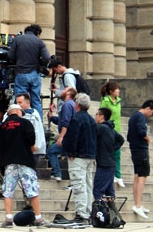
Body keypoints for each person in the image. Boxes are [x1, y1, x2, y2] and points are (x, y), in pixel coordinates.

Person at [0, 103, 49, 228]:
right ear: (18, 112)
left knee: (8, 191)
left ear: (9, 113)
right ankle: (38, 218)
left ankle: (8, 219)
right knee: (32, 190)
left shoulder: (3, 126)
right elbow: (31, 138)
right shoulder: (25, 123)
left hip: (9, 162)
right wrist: (31, 147)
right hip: (25, 161)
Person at [0, 92, 47, 200]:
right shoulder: (10, 116)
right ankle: (0, 191)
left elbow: (35, 135)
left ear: (27, 102)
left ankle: (28, 203)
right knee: (1, 172)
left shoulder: (34, 115)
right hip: (12, 151)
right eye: (17, 102)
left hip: (29, 151)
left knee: (27, 179)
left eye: (20, 102)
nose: (18, 104)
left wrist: (34, 148)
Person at [61, 92, 97, 225]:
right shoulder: (91, 119)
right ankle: (87, 212)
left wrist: (69, 151)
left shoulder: (76, 119)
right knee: (88, 185)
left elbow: (72, 138)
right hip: (89, 155)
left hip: (78, 156)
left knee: (79, 185)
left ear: (77, 104)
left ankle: (81, 214)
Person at [8, 24, 50, 120]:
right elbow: (46, 57)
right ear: (38, 33)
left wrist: (17, 61)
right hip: (34, 74)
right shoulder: (39, 42)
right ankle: (38, 122)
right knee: (36, 100)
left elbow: (10, 55)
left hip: (21, 73)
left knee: (20, 100)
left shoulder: (18, 40)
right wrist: (40, 64)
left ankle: (18, 121)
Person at [127, 99, 153, 218]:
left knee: (137, 175)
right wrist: (147, 138)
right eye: (152, 112)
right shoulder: (140, 117)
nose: (151, 115)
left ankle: (137, 203)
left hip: (135, 148)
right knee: (142, 176)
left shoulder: (134, 116)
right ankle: (138, 204)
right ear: (148, 108)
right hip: (140, 148)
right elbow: (141, 131)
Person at [94, 106, 124, 200]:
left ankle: (99, 210)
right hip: (110, 163)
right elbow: (121, 139)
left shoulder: (101, 128)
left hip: (104, 164)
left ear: (102, 116)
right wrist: (112, 149)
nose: (96, 117)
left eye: (97, 114)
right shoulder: (110, 128)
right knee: (109, 192)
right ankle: (112, 212)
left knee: (98, 190)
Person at [46, 86, 77, 182]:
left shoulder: (67, 105)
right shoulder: (72, 105)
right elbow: (62, 120)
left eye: (64, 90)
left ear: (68, 93)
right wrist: (52, 118)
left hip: (67, 137)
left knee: (51, 151)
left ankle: (57, 173)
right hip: (71, 137)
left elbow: (65, 122)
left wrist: (61, 137)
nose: (61, 92)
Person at [100, 81, 125, 188]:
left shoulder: (118, 101)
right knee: (112, 153)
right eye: (116, 89)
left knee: (117, 153)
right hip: (108, 130)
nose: (118, 91)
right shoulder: (105, 101)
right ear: (111, 91)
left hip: (117, 130)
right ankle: (115, 175)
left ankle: (117, 175)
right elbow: (102, 115)